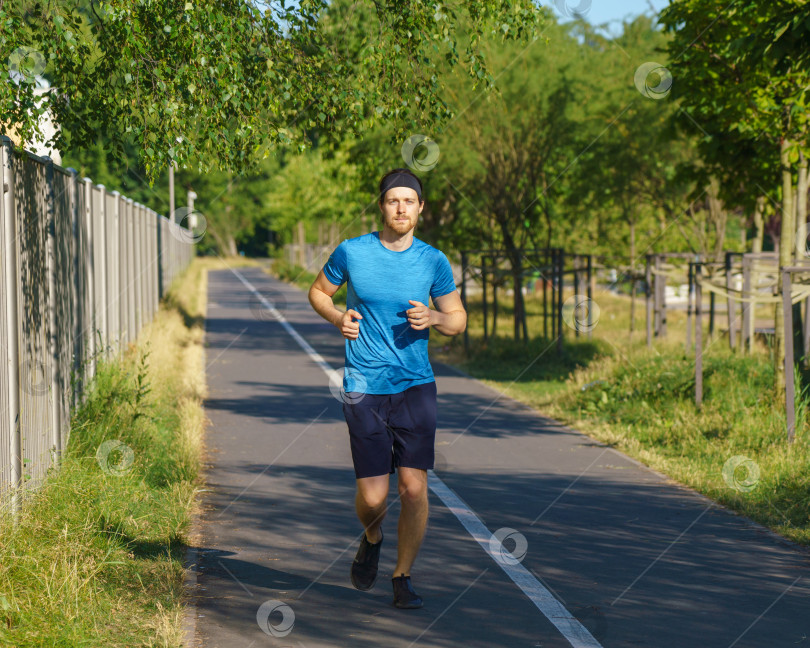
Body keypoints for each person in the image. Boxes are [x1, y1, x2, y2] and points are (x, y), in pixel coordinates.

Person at [307, 168, 467, 609]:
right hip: (363, 385)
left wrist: (435, 318)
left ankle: (403, 577)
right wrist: (339, 317)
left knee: (413, 487)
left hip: (416, 385)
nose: (401, 208)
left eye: (409, 201)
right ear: (382, 206)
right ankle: (372, 535)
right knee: (374, 497)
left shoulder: (433, 260)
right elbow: (319, 292)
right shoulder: (353, 252)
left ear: (420, 208)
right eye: (393, 200)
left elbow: (457, 318)